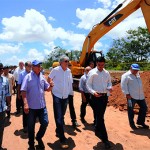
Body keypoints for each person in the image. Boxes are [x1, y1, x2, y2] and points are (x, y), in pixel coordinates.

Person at [21, 60, 54, 150]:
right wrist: (25, 104)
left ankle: (39, 137)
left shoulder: (42, 77)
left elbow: (47, 89)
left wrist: (51, 86)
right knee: (31, 127)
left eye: (40, 65)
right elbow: (23, 91)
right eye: (37, 65)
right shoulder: (27, 77)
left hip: (42, 106)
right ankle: (31, 143)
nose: (40, 67)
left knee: (45, 122)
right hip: (31, 107)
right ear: (33, 67)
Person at [86, 56, 112, 149]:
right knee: (100, 117)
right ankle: (105, 139)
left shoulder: (106, 73)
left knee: (99, 115)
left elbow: (109, 82)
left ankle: (97, 128)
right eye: (99, 64)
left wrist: (109, 87)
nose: (101, 66)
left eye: (102, 65)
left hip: (104, 98)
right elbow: (88, 85)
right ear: (96, 63)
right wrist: (93, 92)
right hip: (95, 98)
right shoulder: (92, 72)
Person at [47, 55, 72, 149]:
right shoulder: (56, 70)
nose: (67, 63)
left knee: (62, 116)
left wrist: (71, 93)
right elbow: (49, 78)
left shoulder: (69, 71)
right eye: (66, 61)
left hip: (65, 96)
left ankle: (58, 130)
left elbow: (70, 83)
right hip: (57, 95)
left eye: (68, 61)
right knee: (59, 117)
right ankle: (62, 139)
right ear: (61, 62)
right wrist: (51, 83)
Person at [121, 63, 149, 130]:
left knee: (144, 107)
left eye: (137, 70)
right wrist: (127, 94)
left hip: (140, 96)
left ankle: (140, 122)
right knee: (130, 110)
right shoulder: (126, 75)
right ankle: (132, 124)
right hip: (131, 96)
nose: (136, 71)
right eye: (134, 70)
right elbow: (123, 86)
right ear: (130, 68)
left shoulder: (137, 74)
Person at [18, 61, 32, 133]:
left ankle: (30, 125)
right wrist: (18, 94)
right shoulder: (21, 74)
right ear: (25, 66)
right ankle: (25, 126)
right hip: (24, 95)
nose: (30, 67)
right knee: (25, 111)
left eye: (31, 66)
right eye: (29, 66)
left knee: (32, 110)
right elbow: (19, 84)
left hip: (32, 95)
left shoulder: (33, 73)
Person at [0, 63, 11, 150]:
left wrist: (9, 104)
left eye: (1, 69)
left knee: (1, 129)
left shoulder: (5, 80)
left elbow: (7, 94)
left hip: (2, 109)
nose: (0, 70)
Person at [67, 63, 80, 128]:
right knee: (62, 108)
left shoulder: (70, 74)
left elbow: (71, 84)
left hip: (70, 93)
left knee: (71, 107)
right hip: (64, 94)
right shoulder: (62, 74)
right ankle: (61, 121)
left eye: (70, 66)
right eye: (69, 66)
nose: (70, 67)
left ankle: (74, 121)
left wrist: (72, 92)